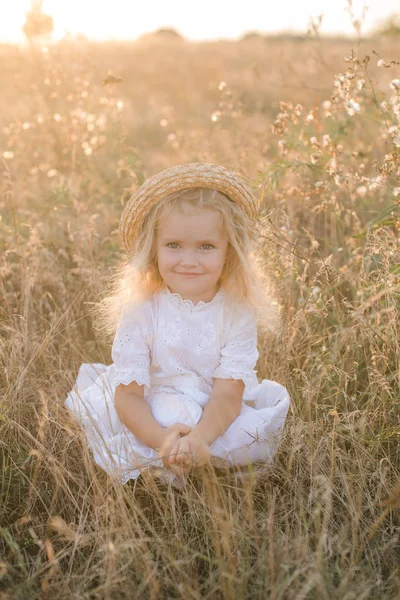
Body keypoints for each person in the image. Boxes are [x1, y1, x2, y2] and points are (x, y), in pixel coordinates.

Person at [65, 163, 290, 489]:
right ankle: (166, 462)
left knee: (249, 433)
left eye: (206, 246)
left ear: (229, 252)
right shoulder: (142, 308)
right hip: (151, 403)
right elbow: (129, 396)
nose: (189, 260)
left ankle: (195, 455)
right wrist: (162, 440)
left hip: (215, 407)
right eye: (173, 245)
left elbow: (228, 394)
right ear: (153, 250)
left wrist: (201, 437)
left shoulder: (237, 310)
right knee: (168, 417)